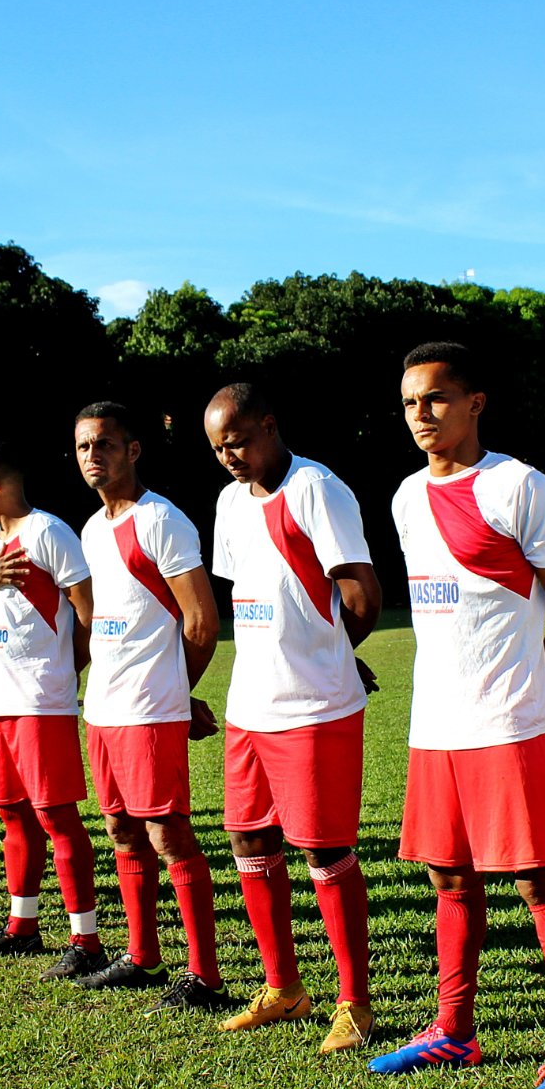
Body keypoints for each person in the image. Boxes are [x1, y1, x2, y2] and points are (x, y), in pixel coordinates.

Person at [373, 342, 545, 1089]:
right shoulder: (407, 497)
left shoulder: (519, 486)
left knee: (538, 881)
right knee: (448, 875)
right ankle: (454, 1027)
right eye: (410, 403)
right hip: (434, 723)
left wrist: (534, 682)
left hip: (507, 721)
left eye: (436, 399)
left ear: (476, 401)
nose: (421, 415)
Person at [201, 383, 381, 1053]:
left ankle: (355, 1002)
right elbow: (247, 596)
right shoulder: (227, 501)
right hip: (251, 704)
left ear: (271, 426)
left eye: (239, 441)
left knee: (326, 851)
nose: (229, 456)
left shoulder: (316, 489)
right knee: (250, 842)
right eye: (219, 447)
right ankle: (284, 987)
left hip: (314, 708)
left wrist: (335, 654)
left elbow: (363, 595)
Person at [69, 402, 233, 1012]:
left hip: (147, 707)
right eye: (84, 446)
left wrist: (174, 694)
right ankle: (141, 957)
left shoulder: (162, 520)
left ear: (133, 450)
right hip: (104, 707)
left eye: (105, 444)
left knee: (169, 836)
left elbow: (201, 621)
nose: (93, 456)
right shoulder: (90, 528)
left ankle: (205, 977)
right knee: (120, 829)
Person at [0, 440, 106, 980]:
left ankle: (86, 939)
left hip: (41, 701)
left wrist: (66, 673)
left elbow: (88, 616)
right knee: (12, 812)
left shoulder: (49, 533)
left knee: (56, 816)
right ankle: (23, 927)